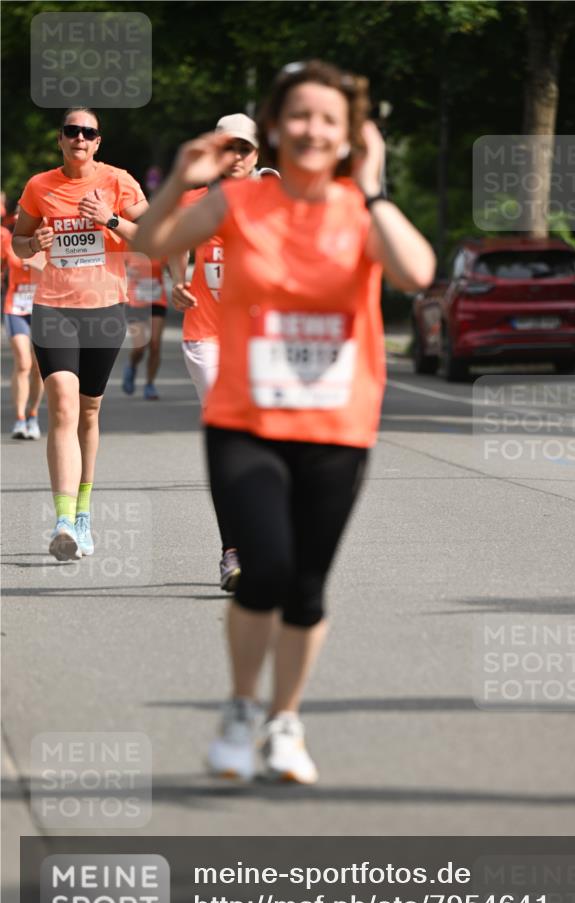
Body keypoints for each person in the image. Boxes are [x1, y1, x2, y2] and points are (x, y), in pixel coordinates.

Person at [135, 60, 435, 783]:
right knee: (264, 567)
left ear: (348, 136)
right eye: (299, 115)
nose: (311, 129)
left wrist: (371, 187)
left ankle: (284, 722)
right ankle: (241, 710)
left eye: (328, 119)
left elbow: (417, 273)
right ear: (275, 126)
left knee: (305, 585)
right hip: (245, 416)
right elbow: (150, 242)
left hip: (335, 425)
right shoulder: (238, 204)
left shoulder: (358, 209)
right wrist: (181, 173)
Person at [12, 107, 148, 560]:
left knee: (89, 412)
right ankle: (64, 520)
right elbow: (19, 241)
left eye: (87, 132)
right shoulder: (39, 186)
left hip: (105, 310)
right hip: (54, 308)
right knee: (63, 406)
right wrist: (34, 245)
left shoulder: (118, 182)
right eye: (72, 131)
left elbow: (151, 237)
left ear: (98, 142)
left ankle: (85, 513)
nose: (79, 138)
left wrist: (110, 218)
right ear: (61, 139)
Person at [170, 112, 259, 592]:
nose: (238, 157)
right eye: (230, 148)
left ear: (257, 154)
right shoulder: (194, 199)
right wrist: (177, 279)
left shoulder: (274, 201)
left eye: (246, 148)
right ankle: (233, 551)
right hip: (206, 336)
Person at [1, 219, 45, 438]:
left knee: (38, 367)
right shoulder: (8, 243)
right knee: (23, 363)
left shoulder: (49, 241)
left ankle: (33, 416)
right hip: (15, 308)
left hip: (42, 309)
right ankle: (19, 420)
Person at [122, 255, 168, 400]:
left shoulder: (162, 245)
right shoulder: (129, 245)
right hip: (135, 303)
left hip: (157, 300)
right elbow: (116, 270)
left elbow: (175, 268)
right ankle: (132, 366)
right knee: (139, 347)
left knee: (155, 344)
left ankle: (150, 384)